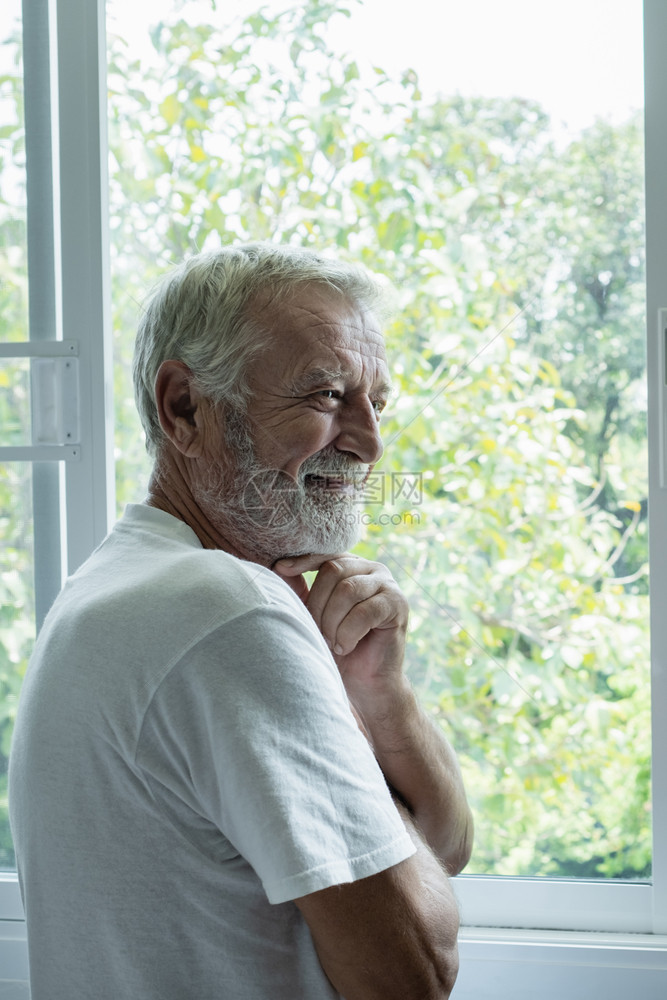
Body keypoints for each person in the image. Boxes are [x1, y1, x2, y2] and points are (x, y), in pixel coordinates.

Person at [9, 243, 473, 1000]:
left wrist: (376, 691)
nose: (368, 442)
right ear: (184, 406)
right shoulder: (226, 616)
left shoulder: (117, 579)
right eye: (324, 396)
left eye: (375, 401)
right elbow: (414, 972)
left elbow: (447, 846)